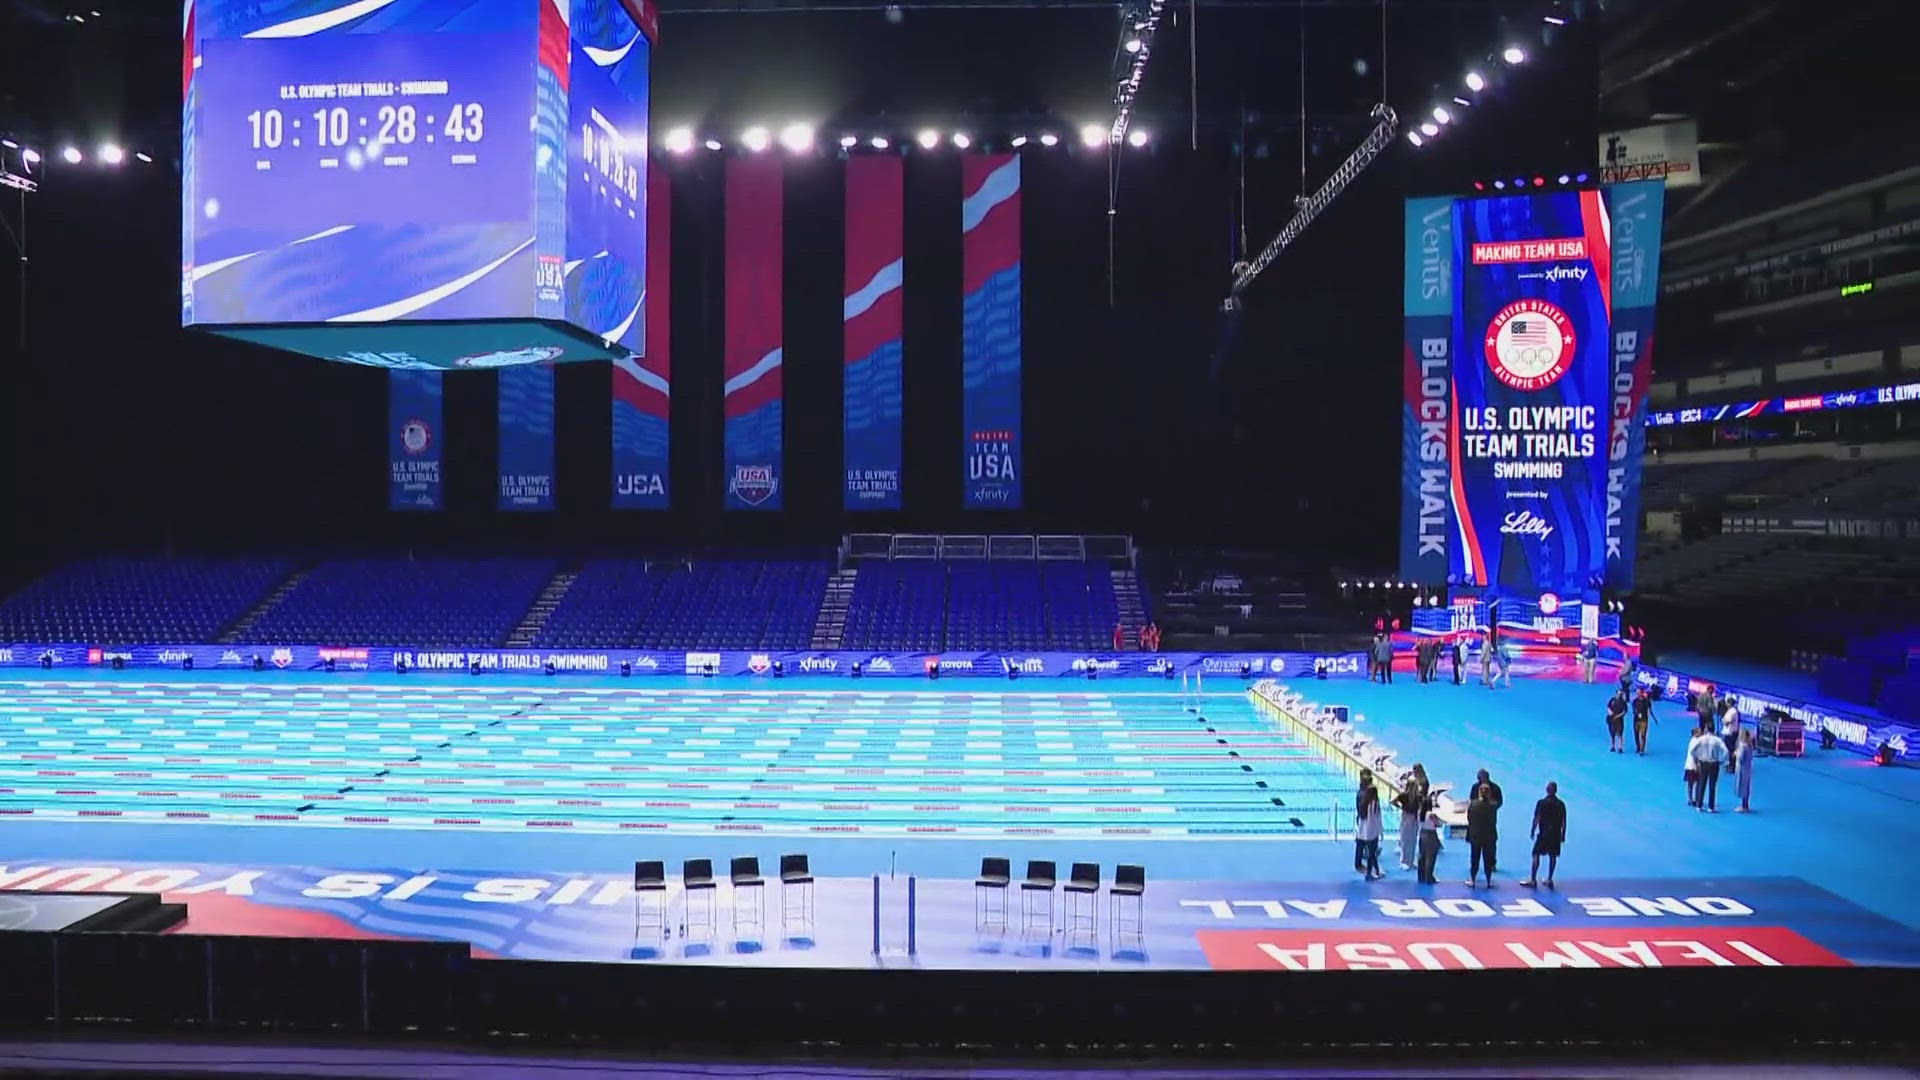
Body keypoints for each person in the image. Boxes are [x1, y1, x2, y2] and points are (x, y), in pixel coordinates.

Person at [1521, 781, 1566, 888]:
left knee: (1536, 854)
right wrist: (1563, 834)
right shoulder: (1561, 804)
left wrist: (1533, 830)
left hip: (1544, 833)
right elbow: (1564, 821)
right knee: (1553, 856)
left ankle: (1533, 879)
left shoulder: (1542, 803)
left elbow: (1537, 817)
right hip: (1555, 834)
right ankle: (1549, 878)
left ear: (1547, 790)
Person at [1687, 723, 1729, 812]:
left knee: (1701, 783)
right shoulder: (1717, 740)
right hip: (1714, 763)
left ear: (1706, 729)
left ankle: (1699, 805)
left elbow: (1692, 750)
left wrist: (1697, 758)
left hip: (1703, 763)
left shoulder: (1701, 739)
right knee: (1712, 785)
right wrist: (1722, 760)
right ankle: (1711, 807)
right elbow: (1725, 751)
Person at [1396, 764, 1431, 870]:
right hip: (1407, 817)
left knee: (1412, 840)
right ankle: (1403, 861)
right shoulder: (1404, 795)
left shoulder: (1417, 796)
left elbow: (1422, 804)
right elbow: (1394, 801)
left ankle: (1410, 861)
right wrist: (1401, 808)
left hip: (1413, 818)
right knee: (1405, 839)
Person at [1464, 781, 1498, 888]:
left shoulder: (1473, 804)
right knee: (1488, 859)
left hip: (1476, 835)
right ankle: (1488, 881)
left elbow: (1469, 819)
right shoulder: (1493, 806)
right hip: (1489, 836)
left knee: (1475, 858)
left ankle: (1473, 880)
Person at [1354, 771, 1384, 880]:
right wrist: (1380, 832)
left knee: (1368, 852)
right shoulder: (1374, 805)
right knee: (1372, 854)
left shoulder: (1363, 801)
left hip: (1363, 831)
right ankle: (1371, 873)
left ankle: (1376, 871)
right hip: (1371, 832)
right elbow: (1376, 820)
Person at [1417, 806, 1444, 884]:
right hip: (1431, 835)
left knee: (1422, 856)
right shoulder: (1431, 815)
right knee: (1430, 857)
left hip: (1422, 833)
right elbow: (1439, 824)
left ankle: (1421, 877)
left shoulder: (1419, 812)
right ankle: (1429, 877)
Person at [1735, 728, 1756, 812]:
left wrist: (1736, 753)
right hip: (1748, 768)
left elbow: (1741, 758)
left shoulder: (1743, 746)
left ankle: (1743, 806)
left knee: (1743, 786)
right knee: (1747, 786)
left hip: (1742, 768)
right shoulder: (1749, 745)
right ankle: (1746, 805)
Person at [1720, 699, 1741, 777]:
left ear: (1729, 703)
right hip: (1729, 732)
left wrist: (1723, 720)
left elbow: (1727, 722)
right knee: (1729, 749)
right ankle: (1730, 764)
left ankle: (1732, 766)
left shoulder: (1733, 712)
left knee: (1731, 750)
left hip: (1730, 733)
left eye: (1727, 702)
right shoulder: (1731, 711)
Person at [1631, 686, 1655, 755]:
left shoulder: (1647, 701)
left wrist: (1653, 717)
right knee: (1636, 734)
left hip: (1644, 720)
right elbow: (1633, 710)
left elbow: (1650, 710)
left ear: (1642, 692)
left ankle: (1642, 750)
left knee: (1643, 735)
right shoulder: (1634, 701)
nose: (1637, 693)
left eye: (1638, 692)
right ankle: (1638, 747)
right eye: (1637, 692)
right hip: (1636, 720)